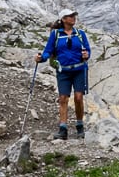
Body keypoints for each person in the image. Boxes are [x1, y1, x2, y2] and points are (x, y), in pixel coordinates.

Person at [35, 9, 91, 140]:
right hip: (63, 71)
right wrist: (41, 58)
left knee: (78, 97)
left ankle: (79, 125)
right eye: (70, 16)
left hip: (79, 70)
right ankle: (63, 128)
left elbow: (87, 50)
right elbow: (48, 50)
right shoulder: (55, 34)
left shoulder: (80, 34)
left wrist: (86, 55)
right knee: (63, 99)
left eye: (74, 16)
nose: (73, 18)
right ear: (63, 19)